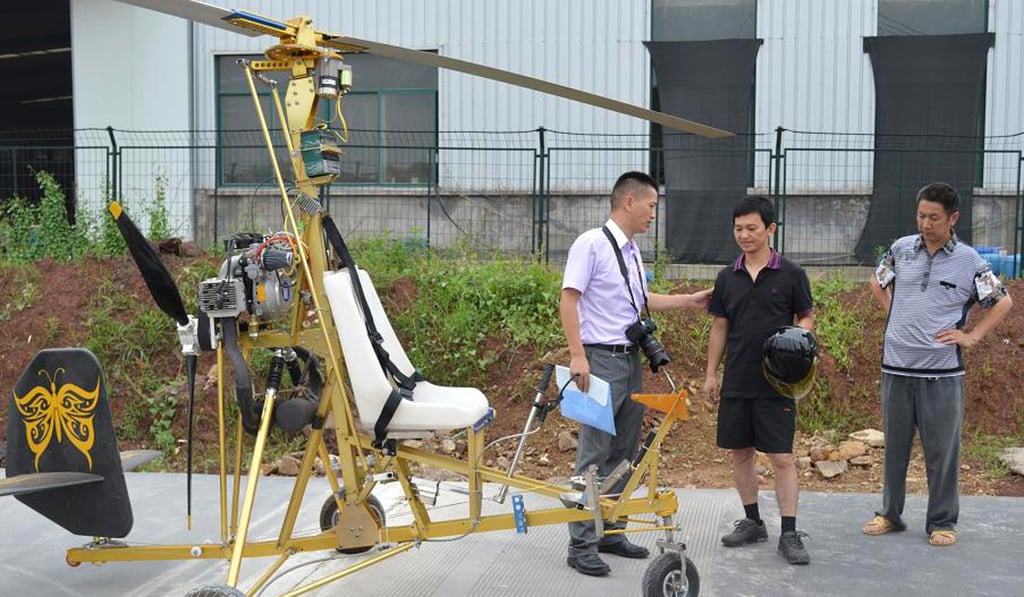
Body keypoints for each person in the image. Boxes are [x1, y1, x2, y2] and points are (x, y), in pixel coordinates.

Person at [560, 171, 712, 577]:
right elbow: (568, 299)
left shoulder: (630, 251)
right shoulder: (591, 244)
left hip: (629, 359)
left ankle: (611, 530)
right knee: (593, 452)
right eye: (651, 206)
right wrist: (578, 357)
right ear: (629, 202)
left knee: (625, 451)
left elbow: (638, 300)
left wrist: (688, 301)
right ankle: (581, 543)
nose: (652, 215)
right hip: (599, 359)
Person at [863, 182, 1012, 547]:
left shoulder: (969, 260)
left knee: (942, 451)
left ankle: (942, 521)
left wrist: (971, 337)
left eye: (934, 218)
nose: (925, 224)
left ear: (953, 218)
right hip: (896, 368)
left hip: (941, 373)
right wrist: (893, 314)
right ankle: (890, 514)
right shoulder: (901, 250)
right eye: (921, 216)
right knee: (895, 448)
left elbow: (1002, 301)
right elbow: (876, 281)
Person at [704, 195, 815, 565]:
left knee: (782, 457)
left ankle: (789, 532)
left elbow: (806, 316)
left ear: (770, 229)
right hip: (737, 379)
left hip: (777, 384)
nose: (744, 235)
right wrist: (710, 374)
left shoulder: (791, 274)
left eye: (752, 228)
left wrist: (798, 342)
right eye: (738, 228)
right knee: (741, 453)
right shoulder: (727, 277)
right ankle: (752, 522)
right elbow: (720, 326)